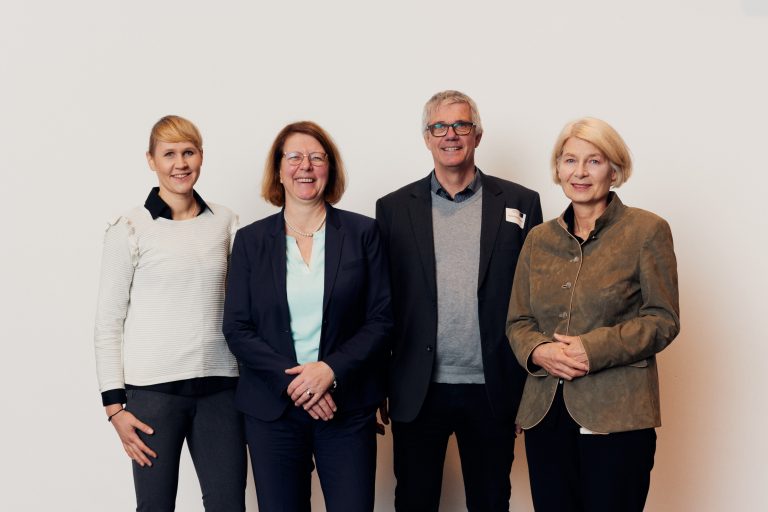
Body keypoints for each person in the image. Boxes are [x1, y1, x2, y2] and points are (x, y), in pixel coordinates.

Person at [376, 90, 543, 511]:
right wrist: (378, 384)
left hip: (493, 387)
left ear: (477, 135)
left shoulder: (521, 202)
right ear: (427, 137)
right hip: (418, 388)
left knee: (490, 502)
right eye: (439, 126)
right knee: (414, 502)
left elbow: (536, 300)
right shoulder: (393, 208)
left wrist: (530, 387)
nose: (450, 134)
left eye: (461, 125)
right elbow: (382, 304)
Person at [507, 117, 680, 511]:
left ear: (614, 171)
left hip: (617, 414)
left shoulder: (647, 231)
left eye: (594, 161)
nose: (580, 172)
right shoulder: (538, 239)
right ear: (558, 169)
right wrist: (539, 351)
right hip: (545, 414)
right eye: (570, 160)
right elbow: (518, 321)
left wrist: (593, 348)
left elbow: (663, 319)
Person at [223, 121, 392, 512]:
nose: (306, 166)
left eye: (317, 157)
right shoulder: (250, 241)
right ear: (279, 170)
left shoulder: (363, 233)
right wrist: (297, 383)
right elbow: (237, 327)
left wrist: (330, 370)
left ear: (330, 168)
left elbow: (381, 319)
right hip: (273, 412)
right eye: (295, 157)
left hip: (346, 407)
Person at [94, 115, 246, 511]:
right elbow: (109, 321)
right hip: (152, 394)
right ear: (151, 160)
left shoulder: (226, 222)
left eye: (188, 152)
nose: (180, 163)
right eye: (169, 154)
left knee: (229, 505)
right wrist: (114, 407)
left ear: (201, 156)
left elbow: (245, 308)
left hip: (221, 390)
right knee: (155, 506)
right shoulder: (129, 227)